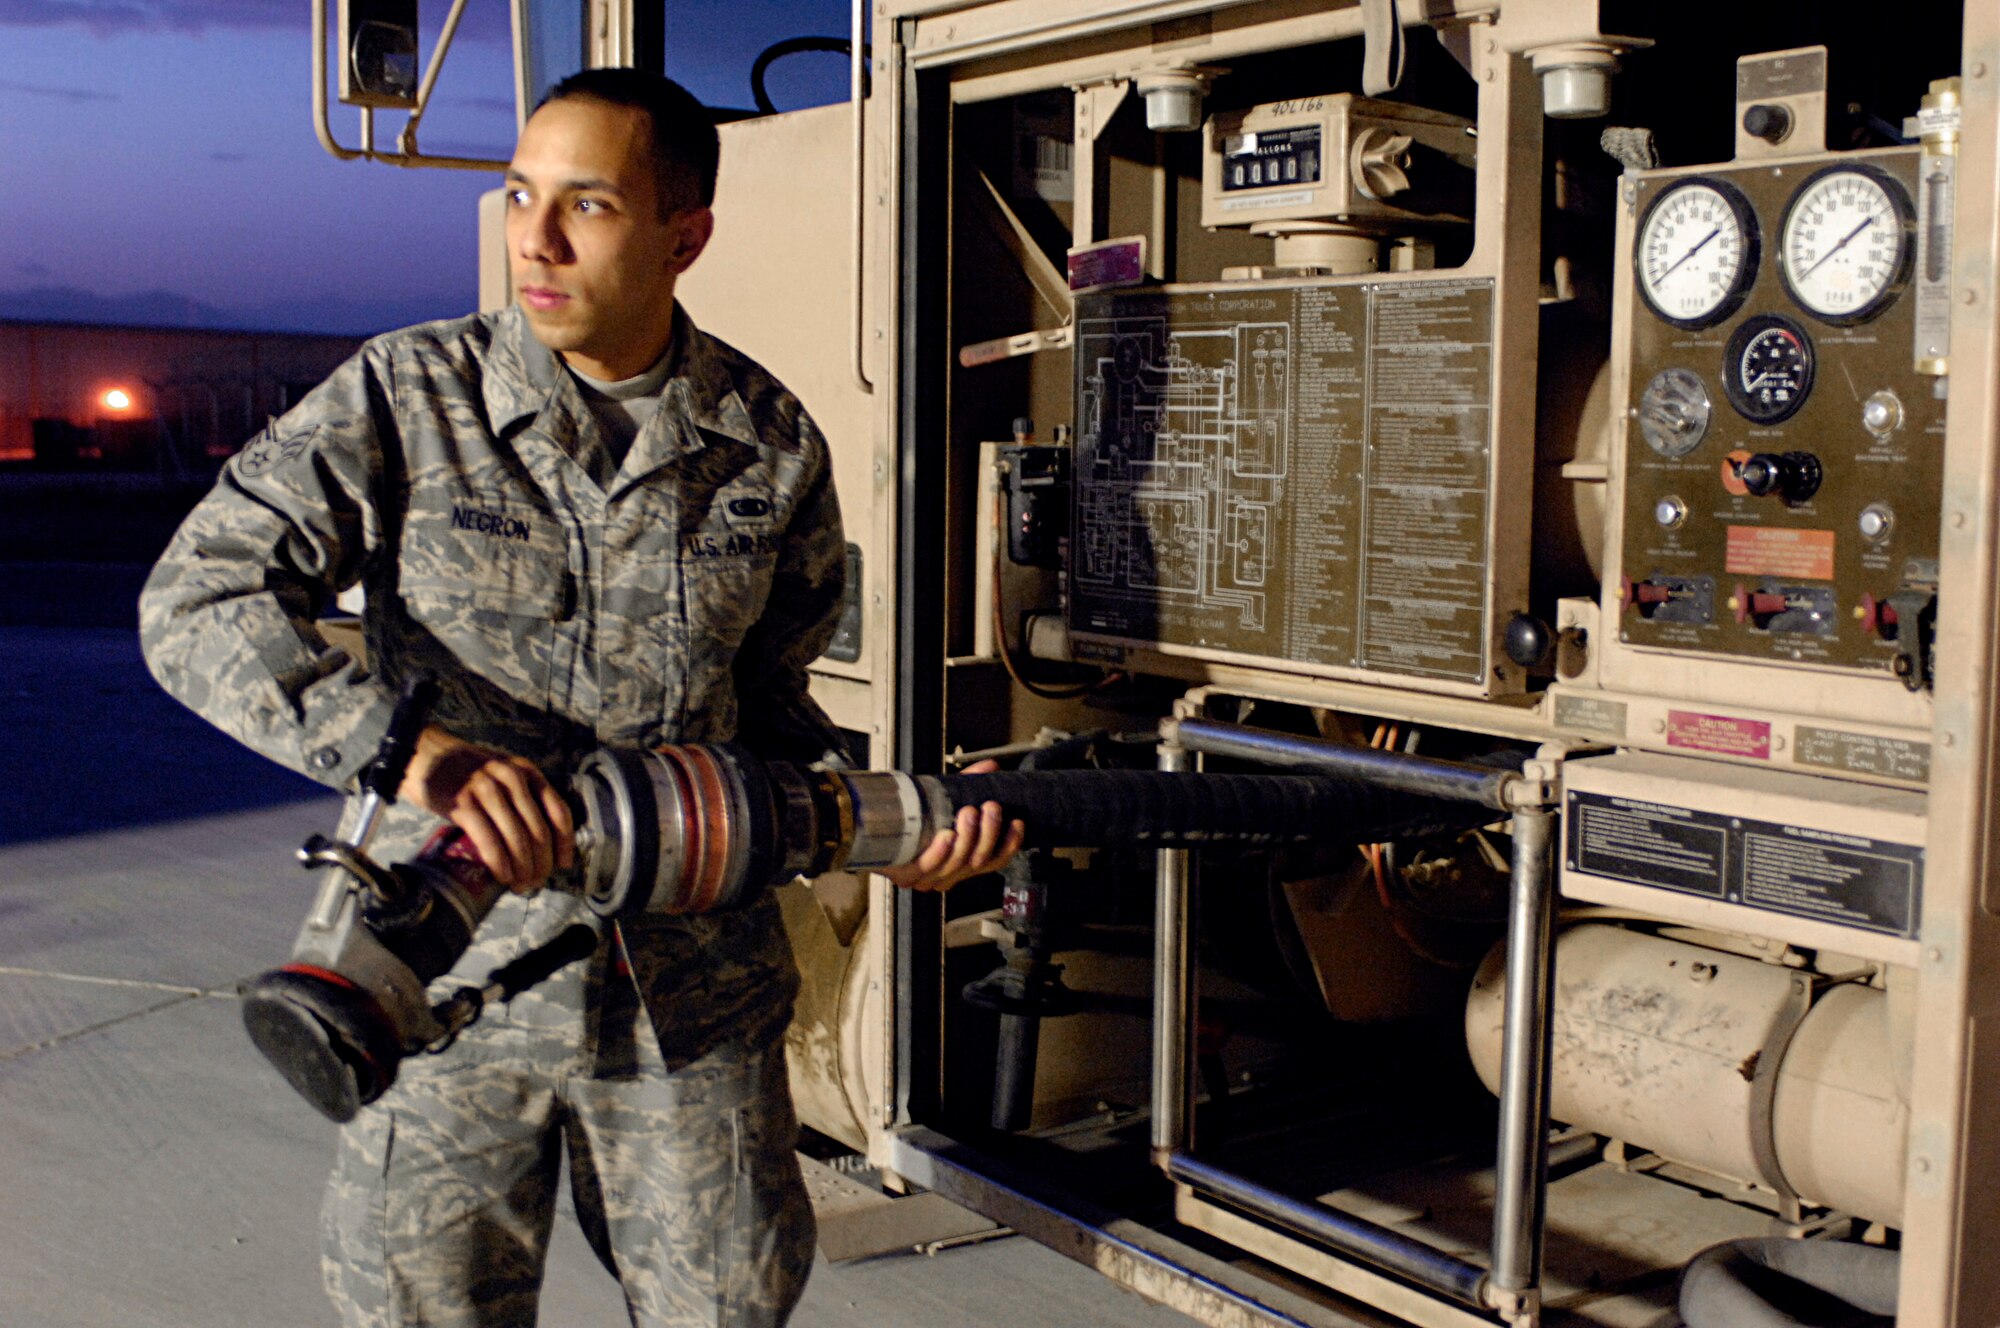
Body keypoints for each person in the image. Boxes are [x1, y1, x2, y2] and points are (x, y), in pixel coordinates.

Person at [139, 68, 1020, 1328]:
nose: (534, 239)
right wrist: (416, 756)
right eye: (519, 194)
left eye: (587, 204)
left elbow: (771, 711)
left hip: (690, 1000)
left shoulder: (764, 439)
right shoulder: (408, 396)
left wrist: (884, 828)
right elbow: (196, 603)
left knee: (725, 1306)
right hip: (440, 981)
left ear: (685, 233)